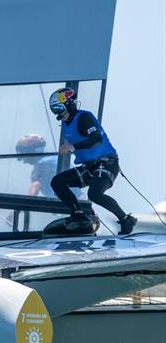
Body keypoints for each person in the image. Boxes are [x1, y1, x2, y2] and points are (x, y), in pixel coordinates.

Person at [48, 87, 137, 235]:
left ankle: (126, 220)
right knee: (57, 182)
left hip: (107, 162)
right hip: (89, 166)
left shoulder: (84, 118)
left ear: (69, 104)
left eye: (58, 108)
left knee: (95, 194)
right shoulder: (65, 123)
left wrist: (72, 146)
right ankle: (78, 215)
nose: (57, 112)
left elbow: (96, 139)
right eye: (54, 109)